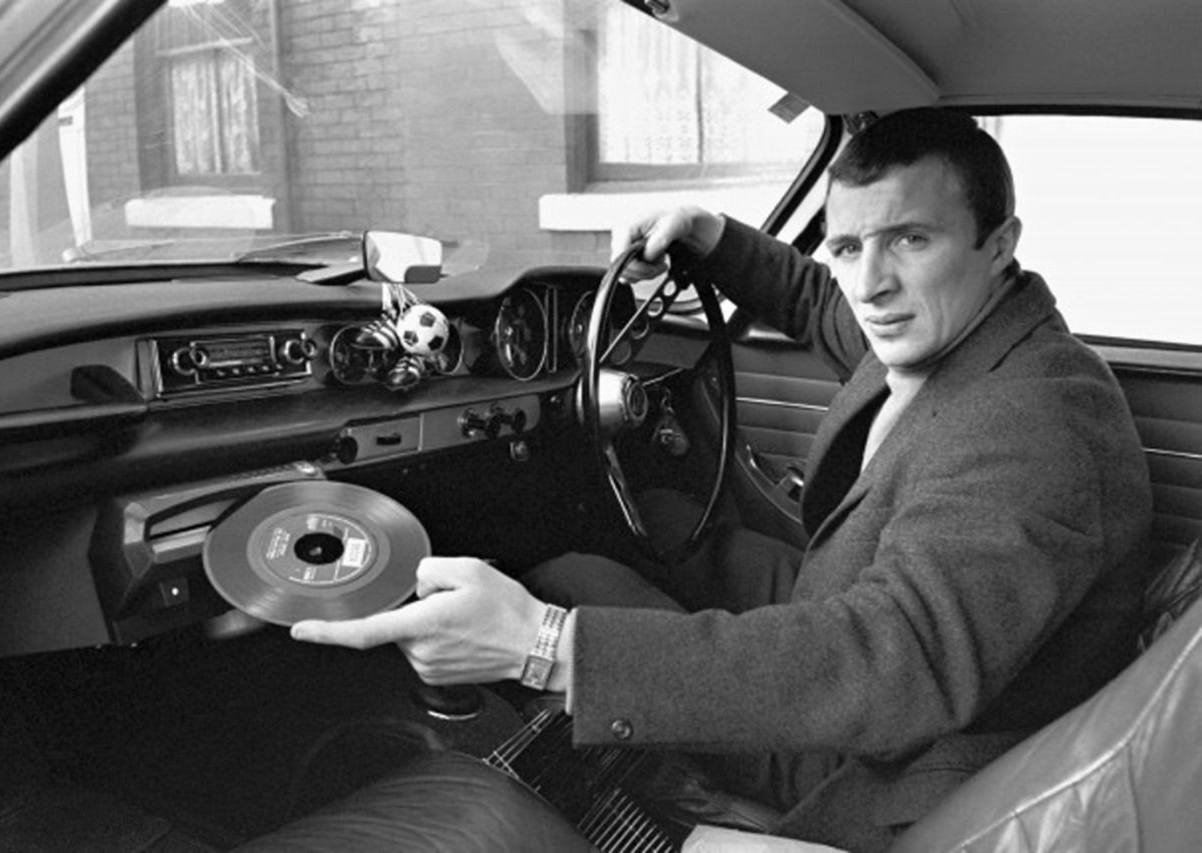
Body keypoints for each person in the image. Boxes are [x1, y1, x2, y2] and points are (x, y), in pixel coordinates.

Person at [285, 108, 1153, 851]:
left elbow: (893, 664)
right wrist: (710, 234)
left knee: (570, 582)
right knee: (663, 520)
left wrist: (545, 646)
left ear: (1000, 244)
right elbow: (818, 301)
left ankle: (648, 793)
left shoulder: (1036, 420)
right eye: (849, 245)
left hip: (885, 755)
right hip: (868, 621)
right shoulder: (957, 329)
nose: (871, 284)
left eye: (911, 239)